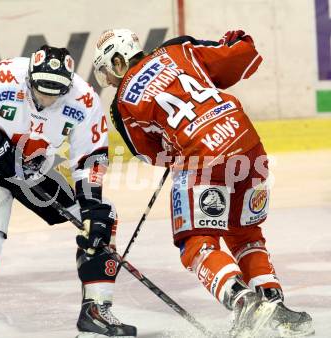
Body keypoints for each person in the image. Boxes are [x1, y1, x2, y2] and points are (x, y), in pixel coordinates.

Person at [92, 29, 314, 337]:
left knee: (195, 242)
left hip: (202, 159)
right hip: (248, 146)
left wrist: (175, 146)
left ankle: (242, 300)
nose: (110, 81)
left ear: (118, 61)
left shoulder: (122, 104)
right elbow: (240, 56)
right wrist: (236, 39)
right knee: (245, 234)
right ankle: (275, 305)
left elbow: (148, 153)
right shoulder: (177, 49)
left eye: (107, 72)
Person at [0, 45, 136, 337]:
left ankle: (96, 311)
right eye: (40, 90)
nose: (46, 99)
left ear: (68, 85)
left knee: (101, 219)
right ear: (29, 77)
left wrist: (92, 206)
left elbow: (89, 158)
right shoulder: (4, 76)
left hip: (35, 172)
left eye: (55, 92)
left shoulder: (84, 100)